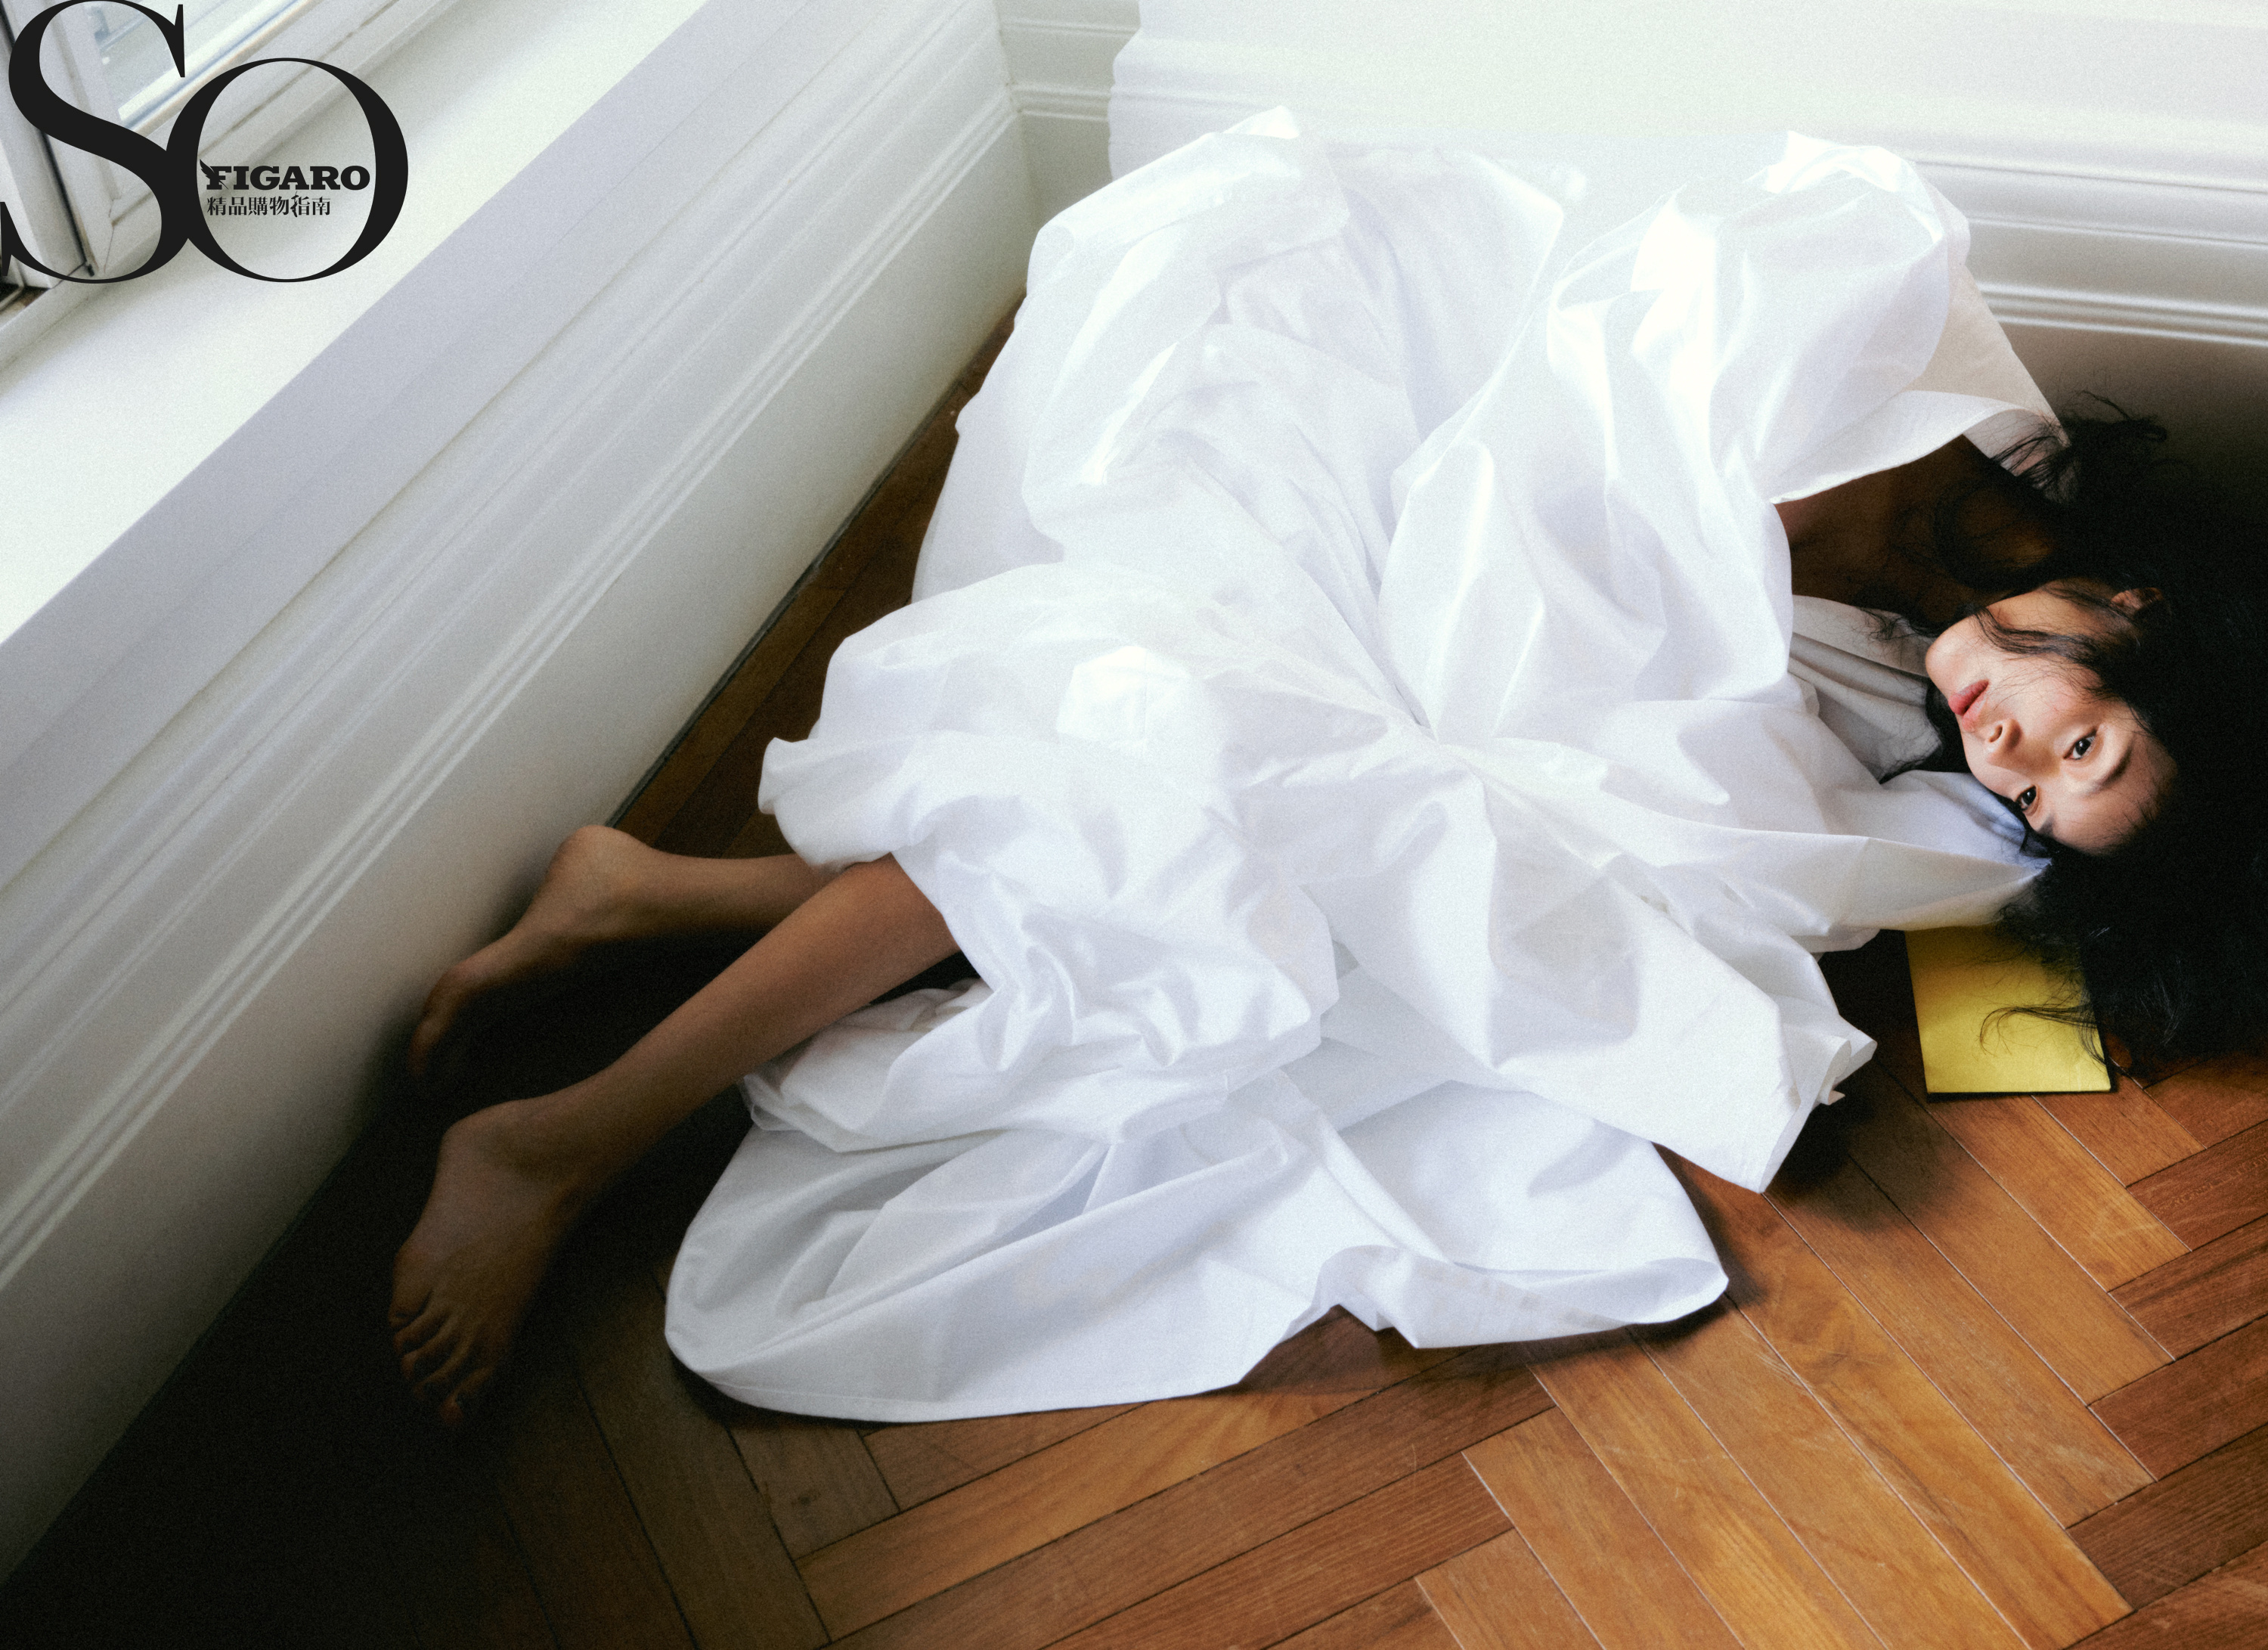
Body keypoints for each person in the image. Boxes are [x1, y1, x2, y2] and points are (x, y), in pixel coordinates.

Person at [388, 121, 2266, 1427]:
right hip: (1355, 383)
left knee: (1198, 804)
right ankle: (562, 1139)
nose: (2008, 760)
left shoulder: (1925, 702)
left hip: (1418, 621)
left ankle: (653, 906)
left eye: (2040, 799)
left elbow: (1774, 811)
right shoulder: (1920, 347)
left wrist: (2024, 867)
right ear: (2137, 610)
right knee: (1185, 758)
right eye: (2076, 737)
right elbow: (1602, 391)